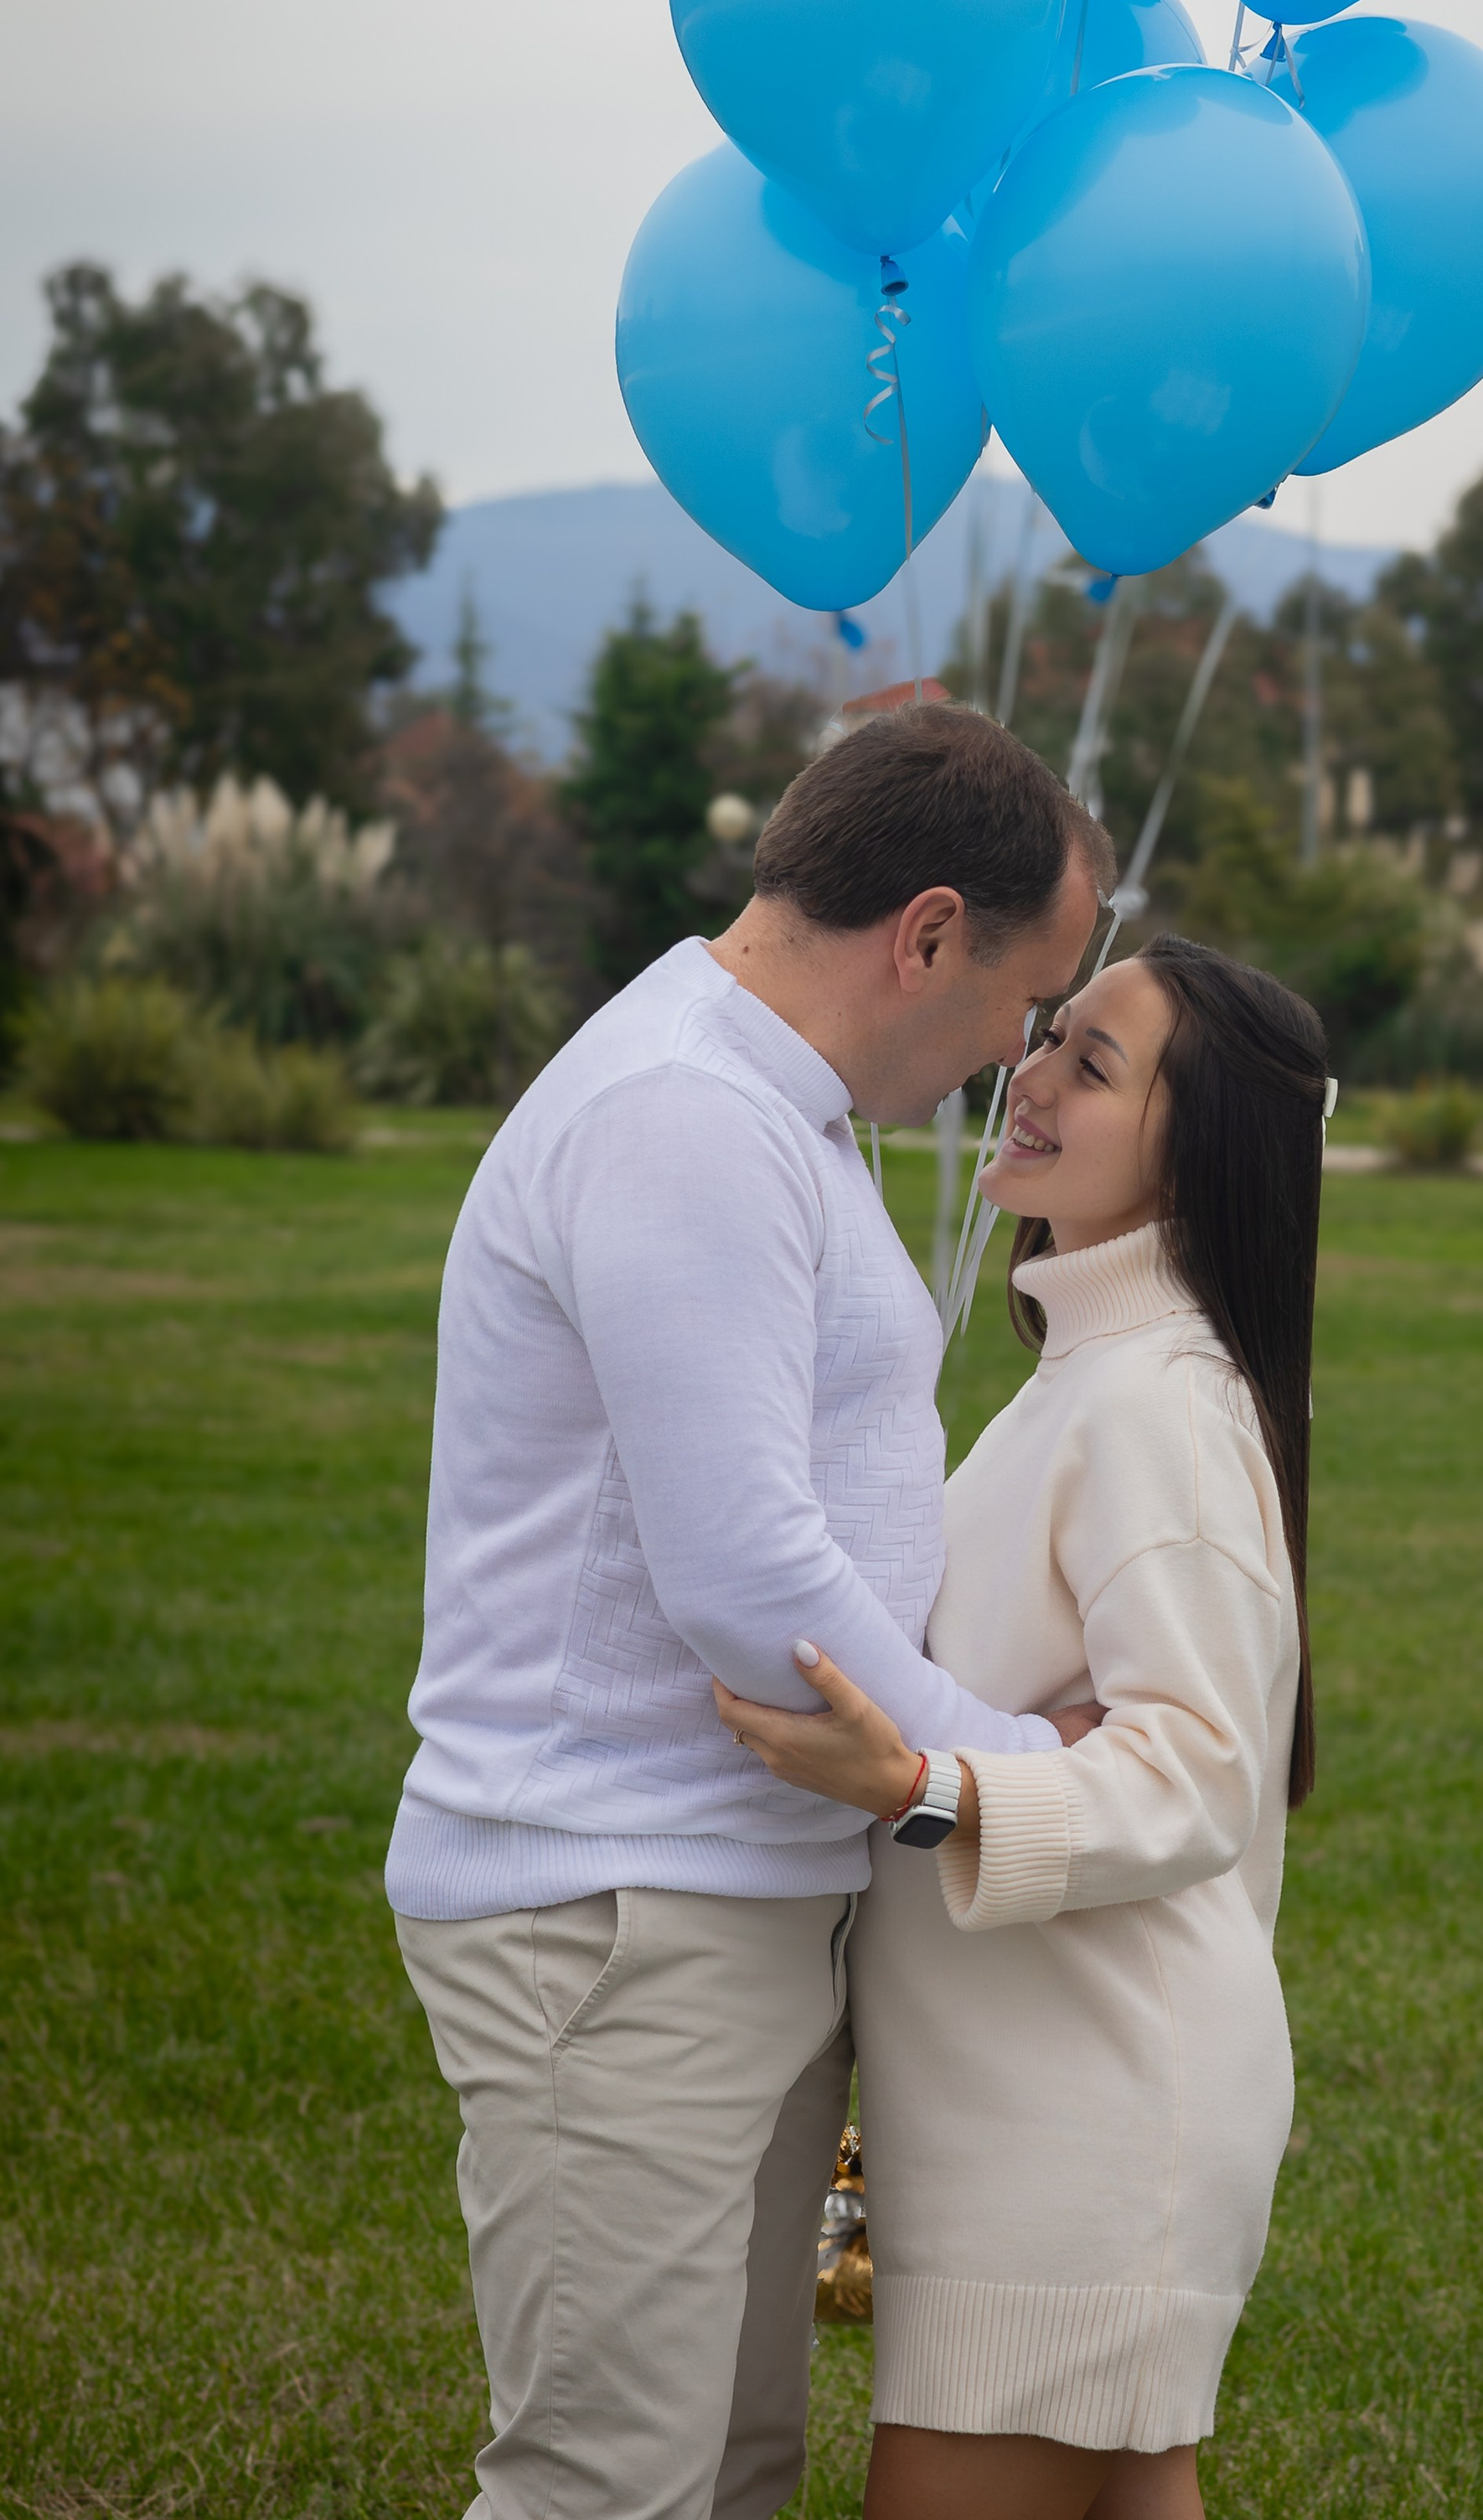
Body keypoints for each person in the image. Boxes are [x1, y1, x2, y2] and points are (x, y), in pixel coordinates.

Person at [388, 703, 1113, 2520]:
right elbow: (743, 1577)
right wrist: (1024, 1771)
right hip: (614, 1908)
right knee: (604, 2486)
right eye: (1027, 1001)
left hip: (717, 1898)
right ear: (926, 934)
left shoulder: (768, 1105)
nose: (1012, 1059)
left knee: (722, 2469)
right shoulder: (682, 1118)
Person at [717, 934, 1329, 2520]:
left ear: (1200, 1155)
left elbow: (1197, 1770)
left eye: (1092, 1064)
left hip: (1089, 2129)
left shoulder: (1159, 1407)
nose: (1030, 1079)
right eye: (1048, 1038)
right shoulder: (1094, 1373)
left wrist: (922, 1784)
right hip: (1055, 2106)